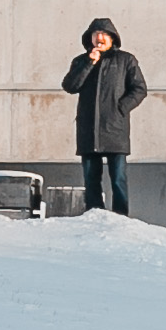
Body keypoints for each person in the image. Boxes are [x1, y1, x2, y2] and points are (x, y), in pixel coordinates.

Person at [59, 19, 144, 217]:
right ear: (89, 38)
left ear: (112, 37)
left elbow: (139, 89)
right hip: (88, 129)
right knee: (91, 177)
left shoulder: (125, 60)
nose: (100, 37)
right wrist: (90, 62)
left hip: (115, 128)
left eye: (104, 34)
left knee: (118, 178)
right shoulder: (81, 61)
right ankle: (94, 214)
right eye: (96, 33)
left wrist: (121, 108)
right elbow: (70, 86)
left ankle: (121, 216)